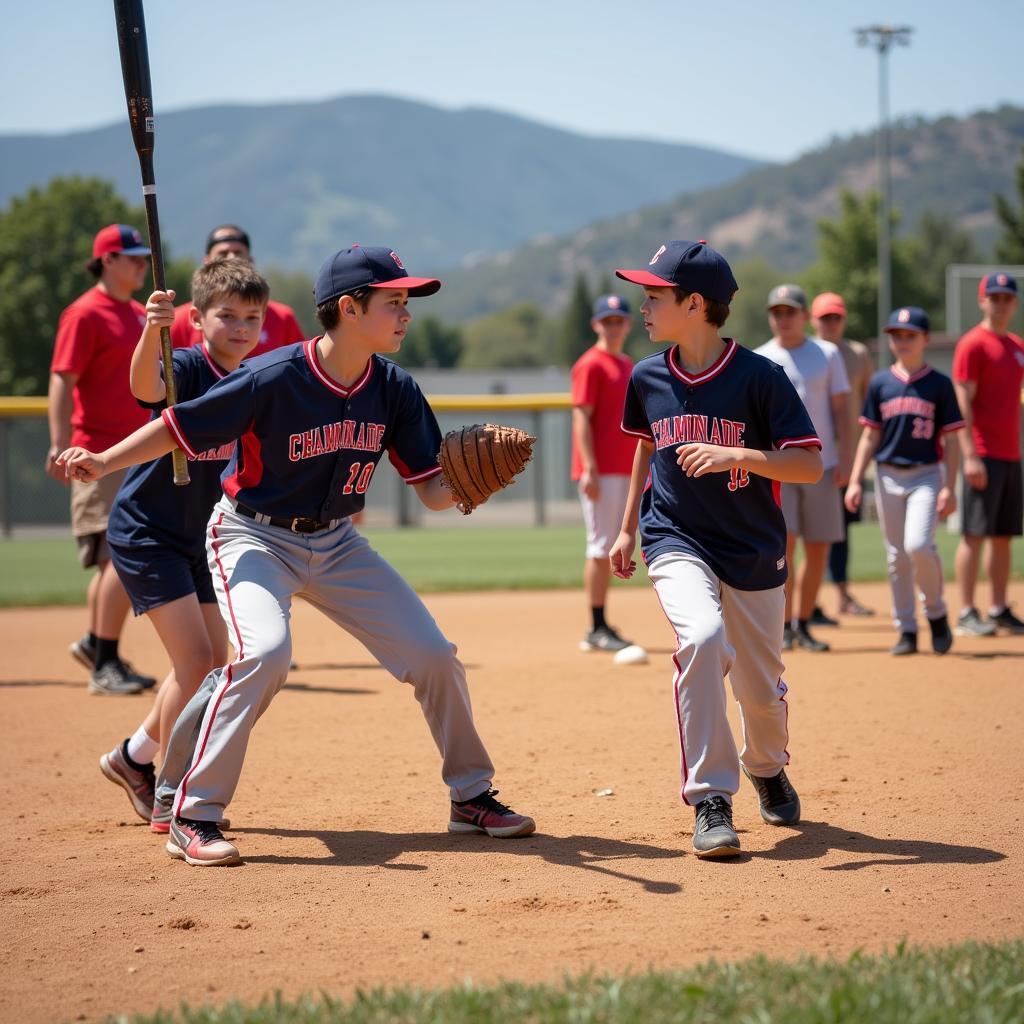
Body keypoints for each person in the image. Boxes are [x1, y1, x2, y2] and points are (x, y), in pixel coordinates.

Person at [59, 244, 535, 866]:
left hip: (337, 544)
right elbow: (178, 426)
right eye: (394, 302)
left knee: (433, 656)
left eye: (406, 303)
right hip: (253, 536)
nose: (405, 314)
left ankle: (470, 797)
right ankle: (194, 812)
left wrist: (473, 481)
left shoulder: (393, 388)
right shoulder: (274, 375)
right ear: (348, 307)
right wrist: (104, 460)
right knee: (265, 654)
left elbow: (432, 491)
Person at [608, 239, 823, 858]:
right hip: (675, 535)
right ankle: (710, 798)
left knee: (761, 691)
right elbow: (646, 447)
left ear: (694, 303)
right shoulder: (648, 374)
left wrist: (741, 456)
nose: (643, 306)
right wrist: (627, 527)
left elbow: (808, 465)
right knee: (701, 638)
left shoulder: (761, 378)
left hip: (753, 548)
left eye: (655, 295)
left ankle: (765, 765)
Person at [97, 260, 268, 826]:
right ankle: (172, 791)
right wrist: (153, 328)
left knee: (215, 661)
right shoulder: (188, 366)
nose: (241, 327)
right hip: (149, 532)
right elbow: (147, 387)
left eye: (252, 317)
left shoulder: (253, 380)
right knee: (195, 660)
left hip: (201, 536)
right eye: (227, 316)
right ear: (196, 320)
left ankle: (134, 759)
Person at [45, 224, 157, 695]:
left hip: (133, 451)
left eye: (144, 256)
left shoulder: (136, 314)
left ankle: (97, 643)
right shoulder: (85, 313)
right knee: (119, 555)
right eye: (131, 256)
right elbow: (61, 380)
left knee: (115, 557)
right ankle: (104, 662)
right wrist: (57, 443)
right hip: (96, 450)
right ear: (106, 259)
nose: (142, 263)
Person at [845, 307, 962, 656]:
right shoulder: (881, 382)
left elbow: (952, 440)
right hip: (886, 475)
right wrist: (854, 481)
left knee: (918, 546)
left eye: (910, 334)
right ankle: (907, 629)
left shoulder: (939, 384)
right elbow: (869, 437)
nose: (902, 340)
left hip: (927, 473)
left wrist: (949, 487)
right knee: (896, 556)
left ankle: (937, 614)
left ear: (926, 338)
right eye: (896, 335)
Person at [756, 285, 851, 653]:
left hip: (822, 465)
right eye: (776, 312)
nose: (783, 318)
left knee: (818, 548)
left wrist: (847, 457)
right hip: (778, 466)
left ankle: (804, 622)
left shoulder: (826, 354)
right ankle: (782, 626)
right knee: (784, 546)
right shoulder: (760, 357)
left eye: (789, 311)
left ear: (803, 315)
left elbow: (842, 409)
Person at [952, 272, 1024, 637]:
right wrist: (970, 455)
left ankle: (998, 607)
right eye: (993, 297)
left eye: (1006, 298)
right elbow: (962, 399)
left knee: (1003, 535)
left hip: (1011, 453)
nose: (999, 303)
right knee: (975, 534)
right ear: (982, 301)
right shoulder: (973, 344)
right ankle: (966, 611)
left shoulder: (1016, 346)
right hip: (982, 452)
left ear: (1014, 303)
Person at [571, 294, 638, 652]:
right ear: (596, 324)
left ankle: (602, 625)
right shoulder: (591, 364)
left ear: (627, 324)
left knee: (611, 543)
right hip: (601, 471)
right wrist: (590, 468)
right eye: (607, 320)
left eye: (618, 320)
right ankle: (596, 627)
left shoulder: (625, 363)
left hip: (625, 468)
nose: (613, 326)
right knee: (599, 547)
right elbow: (581, 416)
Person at [811, 291, 874, 620]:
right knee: (805, 531)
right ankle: (810, 601)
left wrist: (858, 451)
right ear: (814, 320)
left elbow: (867, 402)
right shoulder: (806, 352)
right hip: (811, 454)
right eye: (825, 317)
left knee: (840, 530)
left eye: (836, 317)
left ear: (844, 319)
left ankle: (844, 595)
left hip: (846, 453)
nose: (831, 323)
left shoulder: (857, 354)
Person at [170, 225, 304, 358]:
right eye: (227, 316)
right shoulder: (177, 320)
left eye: (238, 253)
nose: (232, 258)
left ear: (250, 261)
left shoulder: (283, 317)